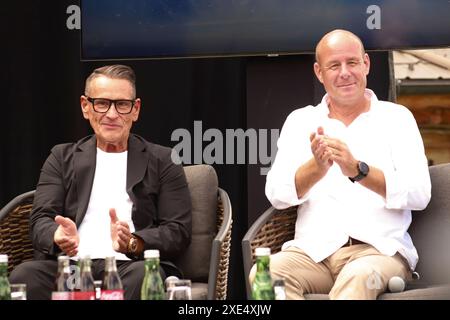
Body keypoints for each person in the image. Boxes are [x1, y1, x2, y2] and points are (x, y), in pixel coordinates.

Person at [256, 29, 431, 299]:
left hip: (378, 253)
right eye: (334, 65)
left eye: (352, 62)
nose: (345, 72)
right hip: (313, 254)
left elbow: (419, 194)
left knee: (357, 277)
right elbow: (277, 195)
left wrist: (359, 171)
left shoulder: (397, 118)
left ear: (367, 64)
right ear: (319, 72)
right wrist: (316, 169)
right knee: (266, 274)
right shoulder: (301, 121)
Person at [9, 64, 192, 300]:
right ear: (86, 106)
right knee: (24, 276)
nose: (112, 114)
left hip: (128, 267)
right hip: (72, 269)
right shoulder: (61, 157)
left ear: (135, 109)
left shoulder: (164, 160)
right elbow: (40, 219)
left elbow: (178, 231)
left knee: (143, 277)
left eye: (122, 104)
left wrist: (133, 242)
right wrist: (57, 236)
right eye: (102, 103)